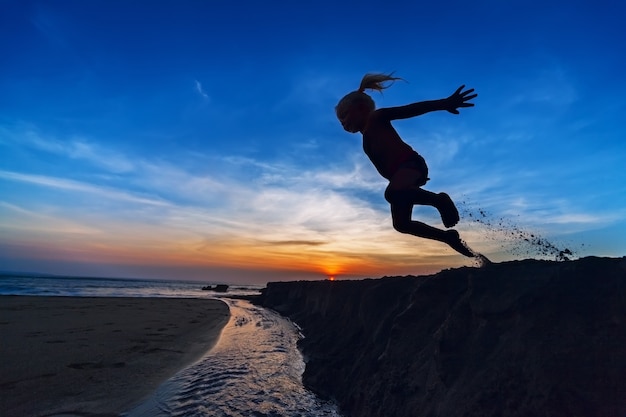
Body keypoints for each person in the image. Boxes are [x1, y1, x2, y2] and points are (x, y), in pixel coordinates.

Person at [335, 73, 477, 258]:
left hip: (410, 165)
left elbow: (411, 109)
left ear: (361, 108)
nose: (343, 123)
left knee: (392, 193)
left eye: (345, 116)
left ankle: (439, 201)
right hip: (401, 176)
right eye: (340, 121)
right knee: (401, 224)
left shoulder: (376, 118)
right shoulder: (366, 137)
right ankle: (447, 237)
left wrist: (443, 103)